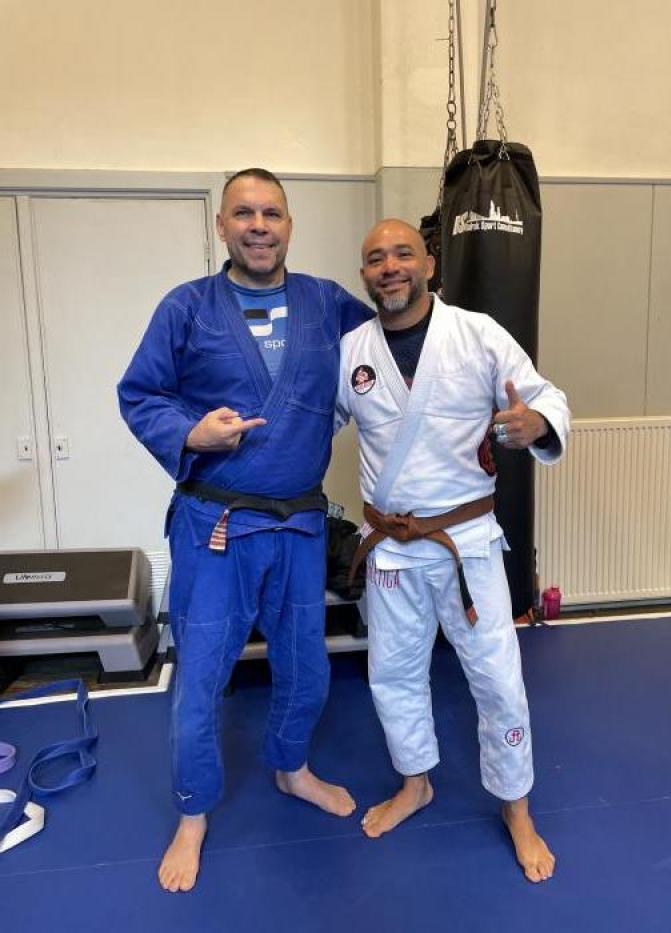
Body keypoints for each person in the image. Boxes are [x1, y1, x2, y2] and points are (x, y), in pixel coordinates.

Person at [118, 168, 372, 893]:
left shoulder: (327, 303)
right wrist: (189, 431)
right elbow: (139, 392)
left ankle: (291, 767)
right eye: (244, 213)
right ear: (221, 225)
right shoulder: (188, 307)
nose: (259, 226)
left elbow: (392, 347)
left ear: (289, 225)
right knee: (202, 672)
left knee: (306, 662)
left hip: (298, 526)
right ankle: (193, 809)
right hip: (216, 525)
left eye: (272, 213)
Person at [335, 219, 570, 883]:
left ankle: (516, 806)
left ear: (429, 264)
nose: (389, 266)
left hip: (467, 546)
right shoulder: (351, 350)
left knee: (497, 677)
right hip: (391, 549)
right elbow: (312, 423)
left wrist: (536, 422)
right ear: (364, 275)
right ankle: (416, 782)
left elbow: (545, 396)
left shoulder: (478, 334)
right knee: (393, 673)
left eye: (402, 253)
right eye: (375, 258)